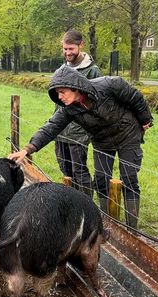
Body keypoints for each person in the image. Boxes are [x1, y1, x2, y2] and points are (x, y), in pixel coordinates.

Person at [8, 65, 153, 229]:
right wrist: (27, 149)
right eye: (57, 94)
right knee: (101, 179)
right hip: (102, 141)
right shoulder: (68, 109)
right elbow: (51, 127)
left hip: (128, 135)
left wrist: (145, 119)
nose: (60, 96)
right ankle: (107, 222)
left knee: (129, 178)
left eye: (62, 92)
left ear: (74, 86)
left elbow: (135, 97)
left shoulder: (110, 85)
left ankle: (131, 228)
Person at [55, 29, 102, 198]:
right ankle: (72, 202)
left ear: (80, 45)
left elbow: (96, 101)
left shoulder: (92, 71)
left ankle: (86, 205)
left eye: (71, 49)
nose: (67, 53)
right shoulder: (62, 69)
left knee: (79, 170)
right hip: (61, 129)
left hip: (79, 130)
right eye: (65, 49)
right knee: (65, 168)